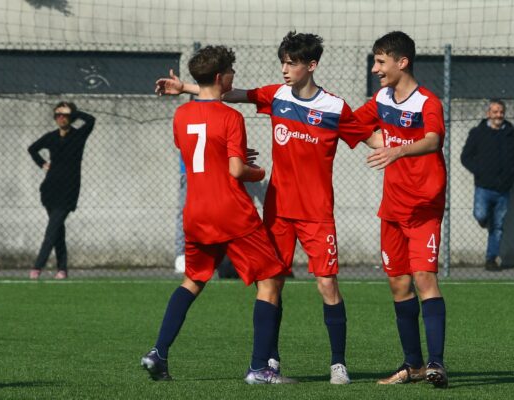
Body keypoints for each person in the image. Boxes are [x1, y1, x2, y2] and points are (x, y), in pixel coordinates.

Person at [155, 31, 381, 385]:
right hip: (277, 210)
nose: (285, 69)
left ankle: (338, 363)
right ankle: (270, 361)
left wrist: (403, 146)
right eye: (283, 63)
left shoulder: (335, 108)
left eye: (291, 63)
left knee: (327, 285)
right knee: (272, 285)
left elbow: (372, 138)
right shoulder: (276, 96)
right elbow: (225, 93)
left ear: (311, 65)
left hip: (317, 212)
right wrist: (184, 87)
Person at [141, 45, 295, 385]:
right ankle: (259, 369)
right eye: (230, 72)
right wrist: (258, 171)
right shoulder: (231, 117)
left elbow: (203, 153)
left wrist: (233, 155)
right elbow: (237, 170)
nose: (233, 77)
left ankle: (158, 353)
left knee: (193, 281)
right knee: (269, 283)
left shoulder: (180, 116)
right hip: (231, 213)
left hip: (195, 213)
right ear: (219, 77)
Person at [354, 31, 449, 388]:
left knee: (425, 278)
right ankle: (413, 366)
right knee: (398, 284)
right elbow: (353, 123)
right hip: (391, 209)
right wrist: (379, 140)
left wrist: (396, 149)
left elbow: (432, 139)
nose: (376, 69)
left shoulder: (428, 102)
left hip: (423, 208)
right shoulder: (380, 99)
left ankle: (436, 363)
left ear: (401, 62)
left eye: (381, 61)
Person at [27, 102, 96, 280]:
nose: (61, 118)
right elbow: (32, 149)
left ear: (71, 116)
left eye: (64, 115)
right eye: (58, 114)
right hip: (50, 190)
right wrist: (42, 164)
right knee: (58, 230)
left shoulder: (79, 136)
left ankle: (37, 267)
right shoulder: (51, 137)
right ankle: (62, 269)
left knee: (52, 229)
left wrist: (74, 111)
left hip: (68, 191)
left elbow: (91, 120)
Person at [461, 99, 514, 271]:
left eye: (501, 112)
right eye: (495, 112)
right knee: (481, 215)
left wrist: (513, 177)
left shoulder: (511, 135)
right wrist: (480, 172)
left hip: (504, 189)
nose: (499, 115)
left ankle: (491, 260)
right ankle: (485, 220)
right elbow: (465, 157)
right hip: (483, 187)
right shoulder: (478, 133)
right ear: (488, 113)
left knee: (497, 226)